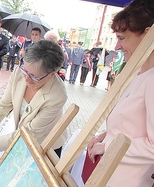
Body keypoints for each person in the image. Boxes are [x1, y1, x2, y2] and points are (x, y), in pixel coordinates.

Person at [87, 0, 154, 186]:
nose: (116, 46)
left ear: (148, 34)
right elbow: (131, 126)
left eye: (122, 38)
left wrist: (107, 146)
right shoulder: (139, 73)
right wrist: (106, 134)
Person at [0, 40, 68, 164]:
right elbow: (4, 104)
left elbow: (31, 133)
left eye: (34, 76)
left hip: (46, 146)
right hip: (21, 137)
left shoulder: (57, 95)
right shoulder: (19, 72)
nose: (27, 79)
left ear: (51, 75)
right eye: (25, 71)